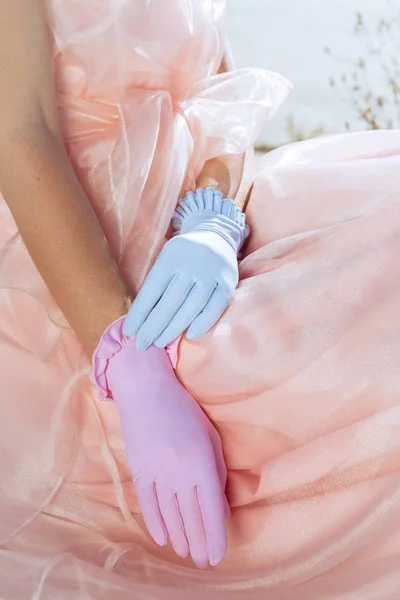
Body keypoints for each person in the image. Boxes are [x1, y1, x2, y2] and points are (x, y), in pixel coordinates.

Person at [0, 1, 400, 599]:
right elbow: (17, 132)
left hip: (209, 229)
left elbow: (223, 104)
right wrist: (129, 357)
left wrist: (211, 221)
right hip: (86, 279)